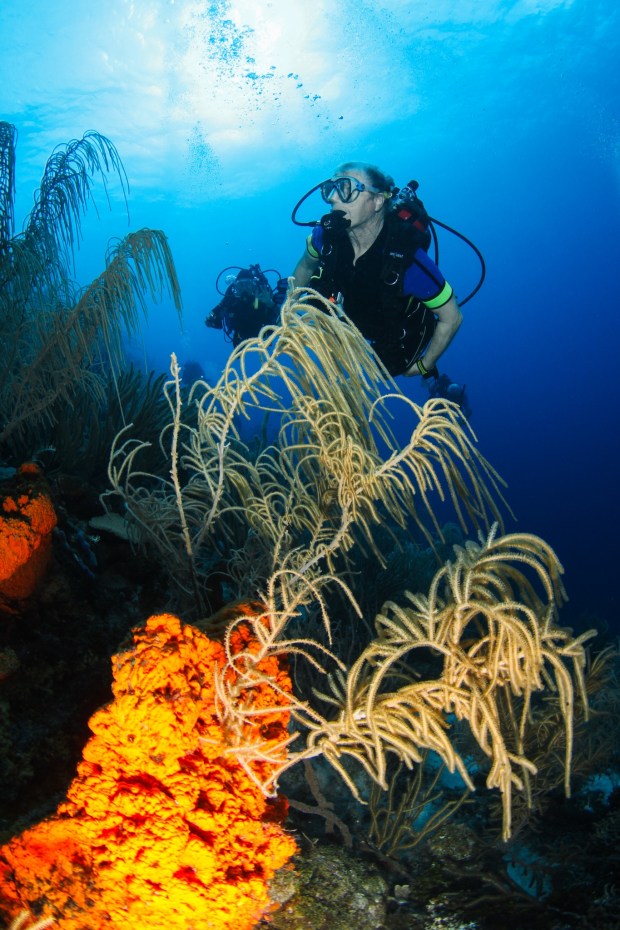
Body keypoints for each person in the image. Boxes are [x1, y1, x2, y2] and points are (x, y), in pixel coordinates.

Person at [291, 162, 463, 380]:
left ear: (377, 201)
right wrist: (288, 309)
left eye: (346, 189)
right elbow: (306, 265)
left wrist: (424, 365)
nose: (333, 198)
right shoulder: (323, 237)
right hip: (345, 310)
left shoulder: (408, 262)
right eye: (331, 189)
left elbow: (452, 318)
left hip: (389, 326)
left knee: (389, 369)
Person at [205, 264, 286, 347]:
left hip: (265, 331)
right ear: (235, 287)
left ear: (254, 286)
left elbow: (282, 316)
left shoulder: (262, 296)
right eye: (240, 285)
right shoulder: (230, 299)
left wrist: (269, 303)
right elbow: (214, 321)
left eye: (248, 285)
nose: (245, 289)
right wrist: (212, 320)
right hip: (241, 336)